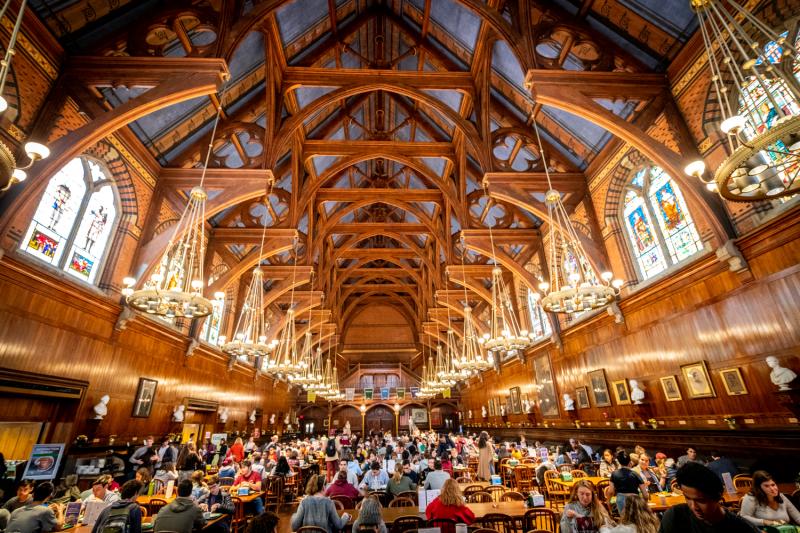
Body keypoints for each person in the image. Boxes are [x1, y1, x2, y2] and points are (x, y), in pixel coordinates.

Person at [658, 462, 758, 533]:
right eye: (687, 498)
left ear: (717, 496)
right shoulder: (675, 516)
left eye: (701, 500)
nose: (694, 507)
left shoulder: (741, 528)